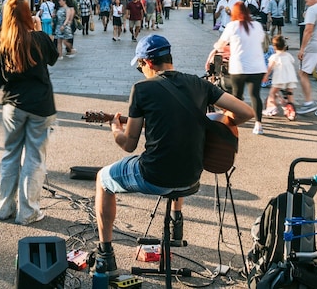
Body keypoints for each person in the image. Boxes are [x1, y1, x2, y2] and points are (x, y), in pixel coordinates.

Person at [93, 35, 255, 276]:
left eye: (140, 66)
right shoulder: (199, 85)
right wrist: (218, 123)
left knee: (103, 180)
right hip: (191, 178)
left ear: (148, 62)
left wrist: (115, 128)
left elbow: (128, 144)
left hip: (154, 176)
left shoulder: (142, 89)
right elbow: (246, 111)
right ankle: (176, 226)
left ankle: (106, 256)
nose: (141, 71)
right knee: (179, 151)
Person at [0, 0, 60, 225]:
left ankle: (3, 208)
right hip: (40, 106)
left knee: (10, 155)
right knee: (34, 158)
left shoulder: (2, 43)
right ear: (28, 15)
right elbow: (54, 58)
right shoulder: (38, 38)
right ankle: (28, 212)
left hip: (13, 105)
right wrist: (39, 30)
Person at [206, 2, 267, 134]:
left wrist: (215, 47)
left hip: (239, 67)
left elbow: (221, 44)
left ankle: (234, 121)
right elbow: (261, 40)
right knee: (255, 95)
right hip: (257, 66)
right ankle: (258, 124)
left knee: (236, 97)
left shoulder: (232, 26)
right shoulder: (256, 25)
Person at [262, 35, 299, 121]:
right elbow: (292, 63)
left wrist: (265, 76)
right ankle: (291, 109)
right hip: (290, 78)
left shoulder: (274, 57)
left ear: (274, 47)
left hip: (280, 78)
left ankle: (271, 108)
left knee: (272, 93)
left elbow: (269, 68)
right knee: (289, 94)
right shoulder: (289, 55)